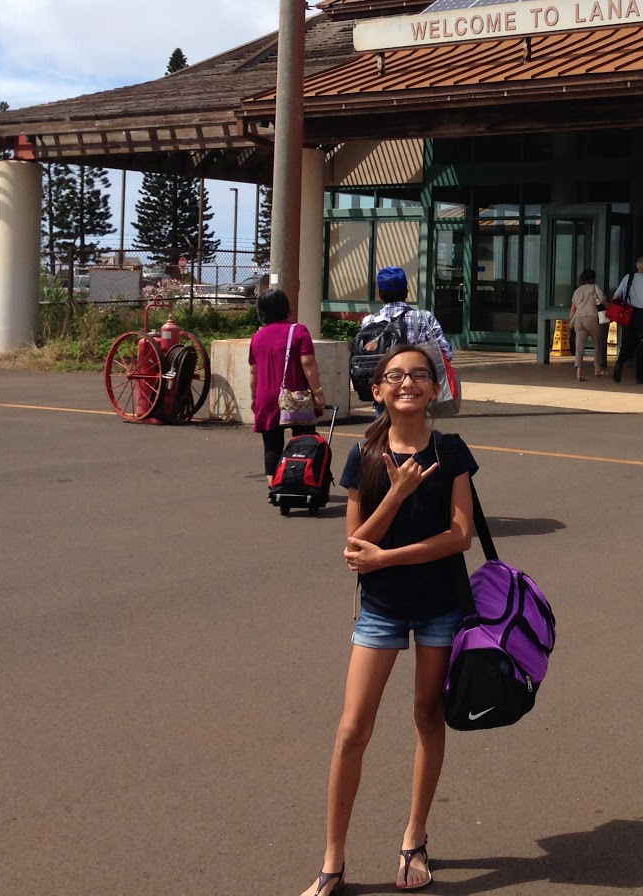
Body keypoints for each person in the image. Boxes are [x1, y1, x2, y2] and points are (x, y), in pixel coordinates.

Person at [300, 342, 476, 896]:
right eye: (395, 376)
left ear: (434, 388)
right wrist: (396, 494)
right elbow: (356, 545)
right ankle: (333, 860)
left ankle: (414, 837)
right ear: (376, 391)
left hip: (441, 606)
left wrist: (389, 558)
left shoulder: (451, 451)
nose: (408, 383)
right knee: (352, 730)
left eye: (419, 374)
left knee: (427, 715)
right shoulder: (364, 455)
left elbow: (460, 536)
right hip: (381, 610)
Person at [248, 288, 325, 491]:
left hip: (265, 397)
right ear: (285, 307)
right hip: (295, 397)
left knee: (272, 446)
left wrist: (254, 397)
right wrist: (318, 393)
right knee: (304, 441)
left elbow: (253, 372)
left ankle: (275, 488)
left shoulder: (257, 337)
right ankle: (303, 482)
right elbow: (308, 363)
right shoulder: (298, 331)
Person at [358, 265, 455, 414]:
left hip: (385, 388)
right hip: (414, 388)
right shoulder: (423, 317)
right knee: (414, 425)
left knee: (384, 426)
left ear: (380, 295)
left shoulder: (369, 321)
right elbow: (445, 353)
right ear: (406, 292)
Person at [611, 256, 643, 385]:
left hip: (628, 313)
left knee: (627, 342)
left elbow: (616, 296)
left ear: (637, 266)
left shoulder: (628, 277)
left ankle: (619, 363)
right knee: (642, 344)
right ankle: (639, 376)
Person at [567, 267, 608, 380]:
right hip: (592, 318)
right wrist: (611, 313)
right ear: (592, 278)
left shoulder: (577, 291)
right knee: (598, 343)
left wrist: (572, 321)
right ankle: (597, 369)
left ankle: (579, 373)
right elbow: (604, 303)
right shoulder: (595, 288)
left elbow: (573, 309)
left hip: (579, 319)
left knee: (579, 346)